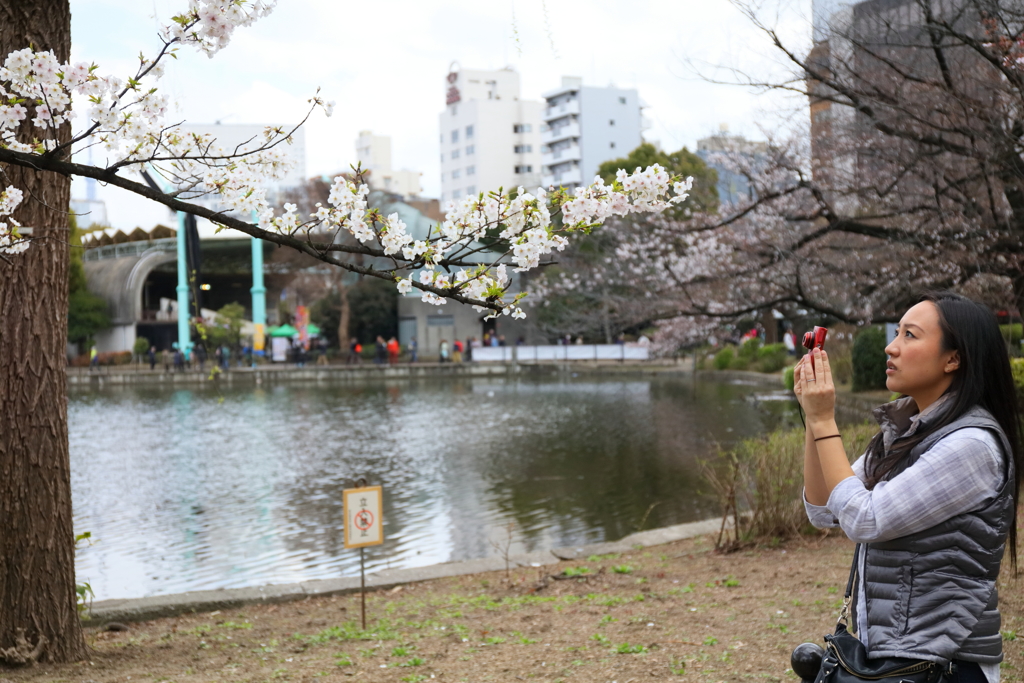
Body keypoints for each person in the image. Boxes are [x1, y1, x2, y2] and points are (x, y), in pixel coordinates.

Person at [797, 292, 1021, 683]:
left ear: (953, 358)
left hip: (946, 664)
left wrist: (823, 421)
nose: (891, 346)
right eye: (896, 332)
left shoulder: (972, 445)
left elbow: (866, 519)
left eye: (910, 335)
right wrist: (810, 416)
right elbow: (823, 509)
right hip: (894, 656)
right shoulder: (908, 432)